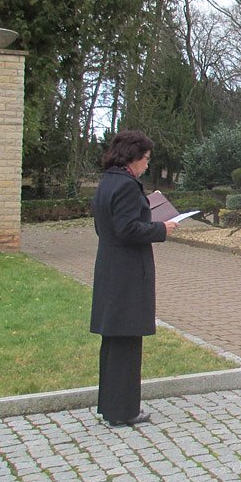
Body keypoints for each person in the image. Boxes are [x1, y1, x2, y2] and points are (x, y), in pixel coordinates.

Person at [90, 131, 178, 428]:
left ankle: (111, 405)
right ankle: (124, 410)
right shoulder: (127, 186)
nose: (147, 164)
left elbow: (105, 227)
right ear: (133, 157)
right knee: (126, 341)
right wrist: (161, 229)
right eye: (146, 159)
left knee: (114, 342)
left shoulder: (107, 182)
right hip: (127, 273)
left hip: (110, 267)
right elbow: (127, 229)